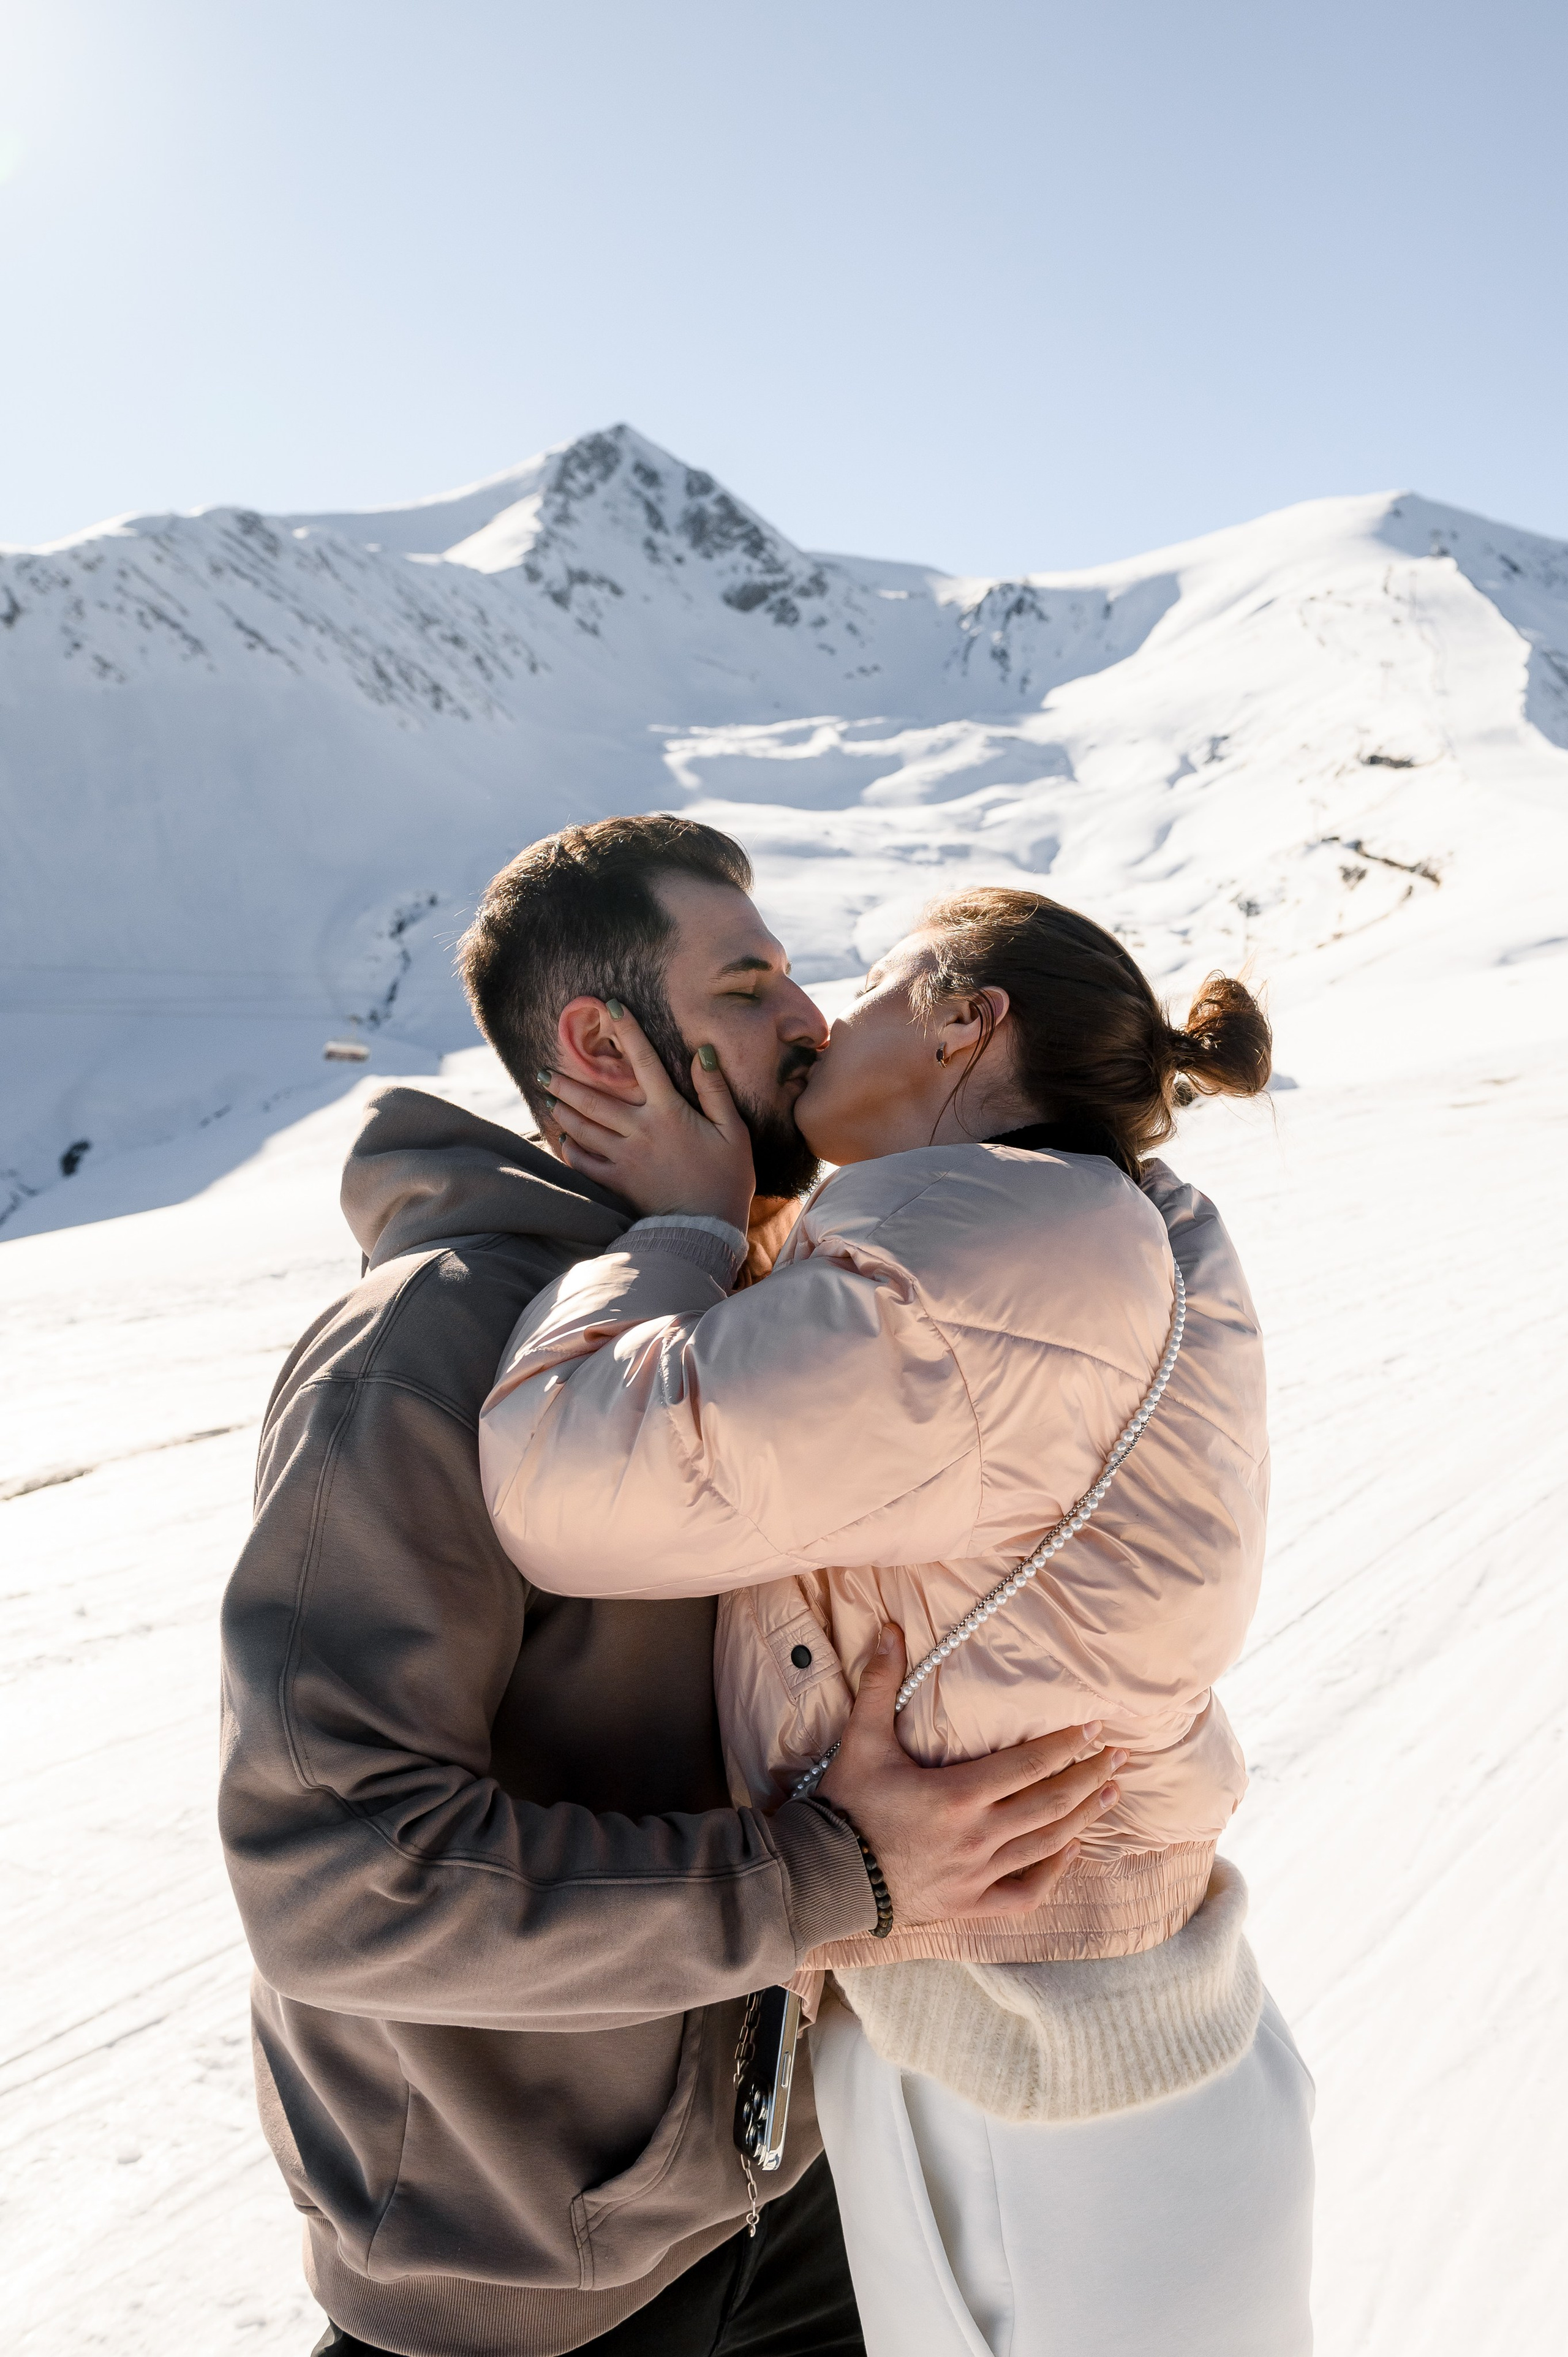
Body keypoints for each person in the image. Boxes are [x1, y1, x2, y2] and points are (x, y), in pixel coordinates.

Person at [218, 818, 1117, 2357]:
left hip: (791, 2196)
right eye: (747, 987)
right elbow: (339, 1881)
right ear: (600, 1043)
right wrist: (834, 1874)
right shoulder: (422, 1354)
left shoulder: (753, 1315)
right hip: (521, 2294)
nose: (810, 1020)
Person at [478, 883, 1316, 2356]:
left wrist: (682, 1221)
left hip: (1042, 2104)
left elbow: (565, 1467)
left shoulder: (970, 1278)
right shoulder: (1086, 1228)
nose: (814, 1024)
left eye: (864, 984)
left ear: (962, 1022)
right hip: (1094, 2046)